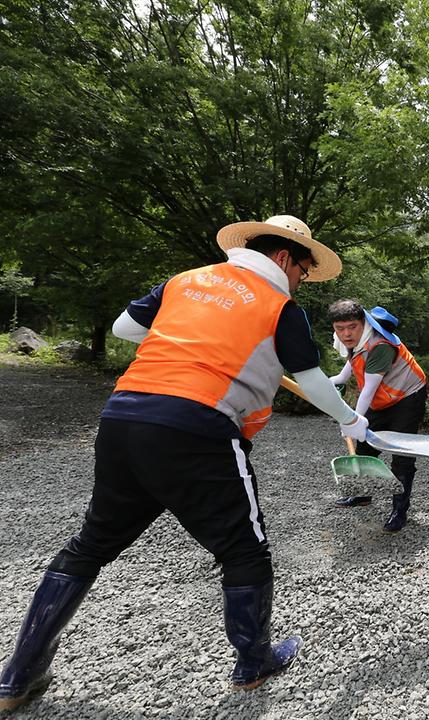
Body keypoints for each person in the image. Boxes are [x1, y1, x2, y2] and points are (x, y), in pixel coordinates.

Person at [0, 215, 370, 710]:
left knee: (90, 545)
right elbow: (314, 381)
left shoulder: (185, 281)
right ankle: (254, 660)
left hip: (123, 418)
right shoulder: (280, 305)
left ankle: (17, 676)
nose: (302, 278)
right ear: (284, 257)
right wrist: (350, 421)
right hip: (197, 426)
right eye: (304, 268)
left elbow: (125, 327)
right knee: (245, 550)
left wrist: (194, 340)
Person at [326, 300, 427, 533]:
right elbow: (352, 365)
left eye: (351, 326)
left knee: (402, 455)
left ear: (364, 323)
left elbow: (368, 390)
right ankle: (363, 495)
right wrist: (335, 381)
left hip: (407, 397)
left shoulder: (380, 344)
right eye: (340, 328)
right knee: (364, 446)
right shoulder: (355, 341)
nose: (346, 334)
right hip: (382, 396)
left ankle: (399, 510)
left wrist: (350, 421)